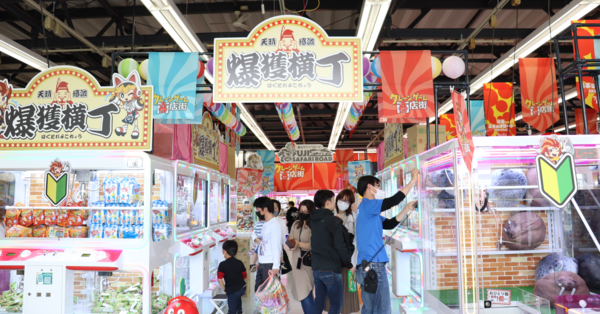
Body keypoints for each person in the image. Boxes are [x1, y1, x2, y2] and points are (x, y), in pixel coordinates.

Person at [355, 169, 419, 314]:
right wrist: (413, 182)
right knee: (382, 309)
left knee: (370, 309)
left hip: (367, 265)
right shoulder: (368, 205)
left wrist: (407, 208)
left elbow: (389, 223)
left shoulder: (367, 210)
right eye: (377, 186)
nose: (379, 190)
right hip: (374, 267)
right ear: (369, 187)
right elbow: (393, 201)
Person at [310, 190, 354, 314]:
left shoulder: (313, 220)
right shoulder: (334, 221)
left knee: (319, 301)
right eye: (334, 201)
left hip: (316, 268)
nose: (335, 204)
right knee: (336, 303)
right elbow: (340, 245)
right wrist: (349, 264)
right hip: (331, 268)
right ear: (328, 202)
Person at [325, 189, 360, 314]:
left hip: (349, 262)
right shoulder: (330, 215)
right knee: (333, 294)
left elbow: (358, 236)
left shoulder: (353, 217)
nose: (343, 202)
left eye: (346, 200)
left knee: (349, 294)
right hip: (333, 261)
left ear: (351, 203)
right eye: (341, 199)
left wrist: (358, 212)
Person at [287, 200, 315, 314]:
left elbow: (314, 245)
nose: (303, 213)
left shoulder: (313, 225)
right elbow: (290, 238)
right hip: (296, 264)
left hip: (308, 263)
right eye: (301, 211)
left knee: (306, 292)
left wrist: (298, 244)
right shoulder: (295, 224)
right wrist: (291, 243)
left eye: (306, 211)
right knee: (302, 293)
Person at [253, 197, 282, 291]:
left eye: (258, 209)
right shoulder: (266, 223)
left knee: (268, 294)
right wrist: (259, 260)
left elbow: (276, 246)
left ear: (265, 209)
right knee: (259, 291)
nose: (257, 212)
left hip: (269, 264)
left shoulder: (275, 225)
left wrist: (276, 266)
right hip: (262, 263)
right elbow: (264, 244)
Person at [217, 240, 247, 314]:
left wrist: (224, 288)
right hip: (242, 287)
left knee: (231, 310)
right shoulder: (240, 262)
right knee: (238, 295)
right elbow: (244, 276)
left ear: (224, 251)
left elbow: (219, 279)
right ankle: (239, 311)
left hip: (232, 290)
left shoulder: (222, 264)